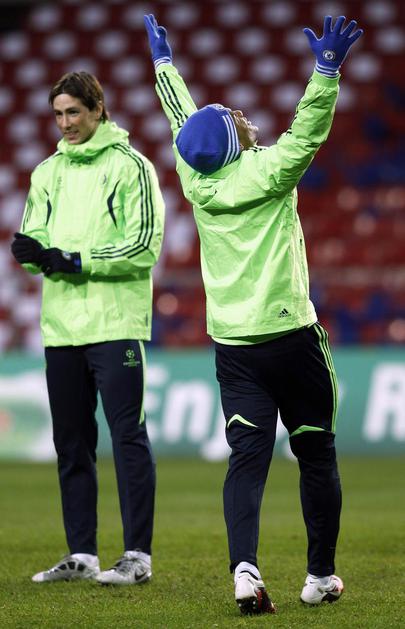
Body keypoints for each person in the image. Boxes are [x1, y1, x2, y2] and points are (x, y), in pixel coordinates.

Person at [144, 13, 363, 614]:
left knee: (246, 460)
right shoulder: (269, 171)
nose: (241, 114)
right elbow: (307, 131)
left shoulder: (195, 176)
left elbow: (181, 119)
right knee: (316, 453)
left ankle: (244, 570)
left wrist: (163, 66)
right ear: (236, 140)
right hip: (292, 336)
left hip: (235, 346)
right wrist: (326, 71)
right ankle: (320, 577)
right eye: (234, 117)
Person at [11, 71, 165, 585]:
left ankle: (137, 556)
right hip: (61, 328)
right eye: (58, 114)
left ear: (98, 109)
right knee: (71, 443)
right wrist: (31, 254)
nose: (65, 123)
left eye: (73, 112)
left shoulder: (132, 166)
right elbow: (37, 239)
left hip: (116, 323)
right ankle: (82, 554)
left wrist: (73, 260)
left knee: (127, 438)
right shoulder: (46, 173)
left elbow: (143, 246)